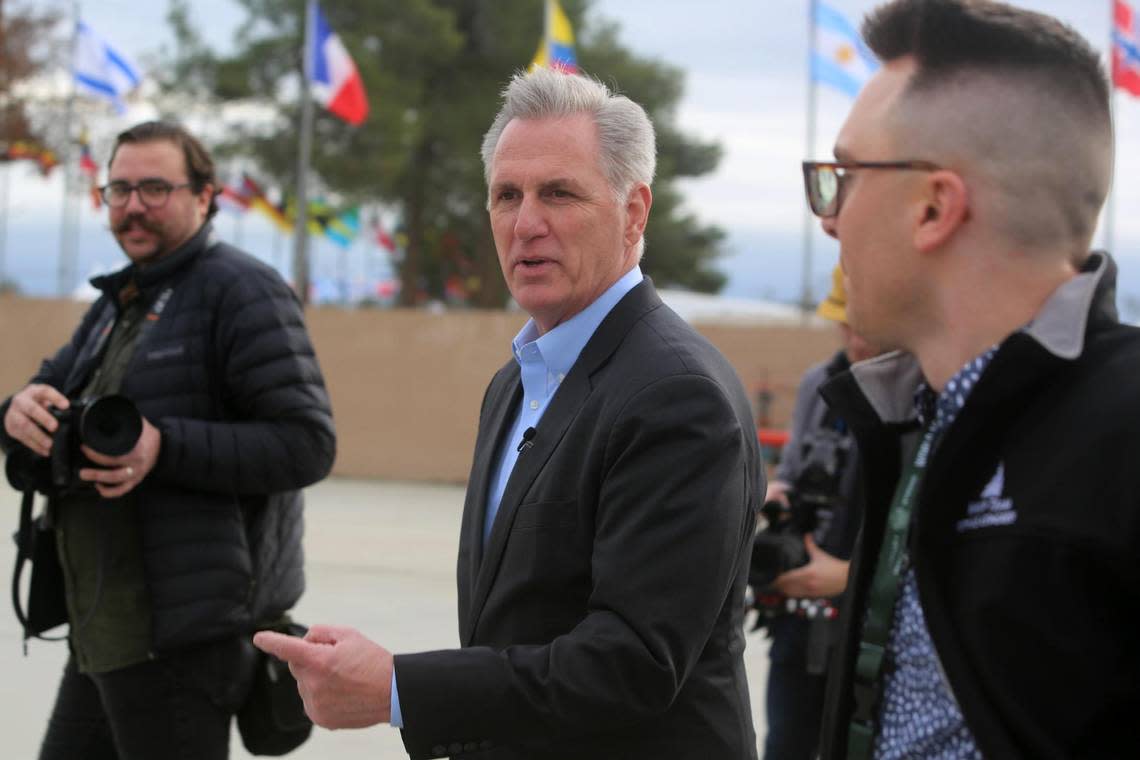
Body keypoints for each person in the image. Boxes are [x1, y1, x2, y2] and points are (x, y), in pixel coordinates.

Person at [255, 67, 763, 759]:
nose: (526, 223)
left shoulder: (677, 394)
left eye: (559, 192)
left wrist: (400, 688)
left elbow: (631, 662)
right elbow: (517, 628)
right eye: (506, 195)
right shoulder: (516, 382)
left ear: (635, 211)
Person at [798, 1, 1140, 757]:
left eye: (844, 177)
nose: (829, 218)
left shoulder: (1123, 431)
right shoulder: (912, 417)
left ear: (934, 207)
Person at [0, 120, 336, 759]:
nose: (133, 206)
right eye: (119, 190)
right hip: (105, 628)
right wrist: (16, 413)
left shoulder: (241, 290)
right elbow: (48, 394)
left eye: (155, 188)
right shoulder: (120, 299)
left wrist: (164, 447)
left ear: (204, 196)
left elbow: (306, 443)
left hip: (185, 637)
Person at [758, 266, 877, 760]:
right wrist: (777, 494)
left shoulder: (920, 391)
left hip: (866, 626)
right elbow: (796, 467)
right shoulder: (819, 383)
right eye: (843, 324)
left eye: (861, 325)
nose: (852, 338)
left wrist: (851, 576)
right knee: (787, 742)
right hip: (797, 614)